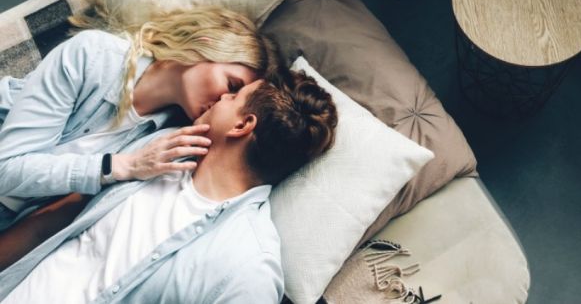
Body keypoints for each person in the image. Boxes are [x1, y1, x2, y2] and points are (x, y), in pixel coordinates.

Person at [0, 70, 338, 303]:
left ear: (242, 124)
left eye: (234, 96)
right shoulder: (161, 148)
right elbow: (50, 222)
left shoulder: (248, 269)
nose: (221, 97)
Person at [0, 5, 279, 231]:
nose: (223, 103)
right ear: (208, 46)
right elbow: (5, 169)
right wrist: (118, 166)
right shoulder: (93, 56)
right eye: (231, 86)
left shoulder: (171, 137)